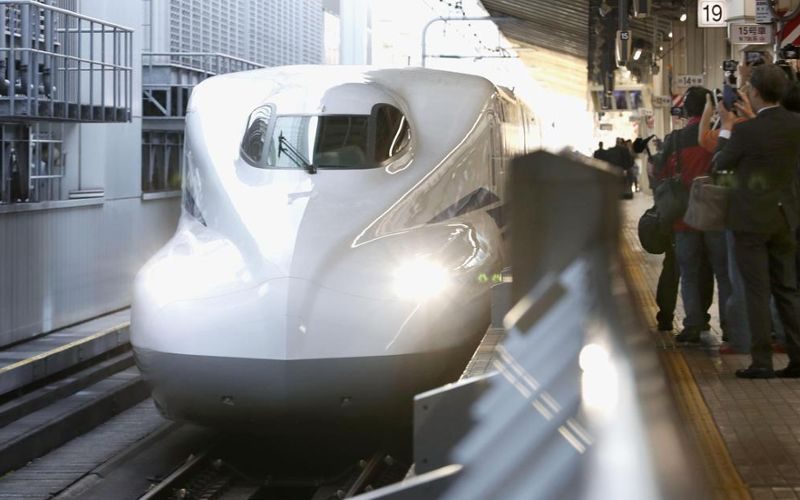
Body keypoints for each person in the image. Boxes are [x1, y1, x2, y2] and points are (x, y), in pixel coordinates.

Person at [713, 64, 800, 378]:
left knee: (757, 291)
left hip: (750, 220)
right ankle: (797, 359)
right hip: (786, 216)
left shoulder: (745, 131)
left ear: (755, 93)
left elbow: (719, 165)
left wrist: (726, 127)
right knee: (787, 289)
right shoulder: (795, 124)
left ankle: (762, 362)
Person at [657, 86, 732, 345]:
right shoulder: (718, 137)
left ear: (685, 110)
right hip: (715, 215)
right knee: (722, 273)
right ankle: (730, 328)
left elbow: (660, 175)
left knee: (689, 272)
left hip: (684, 217)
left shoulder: (674, 139)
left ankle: (693, 324)